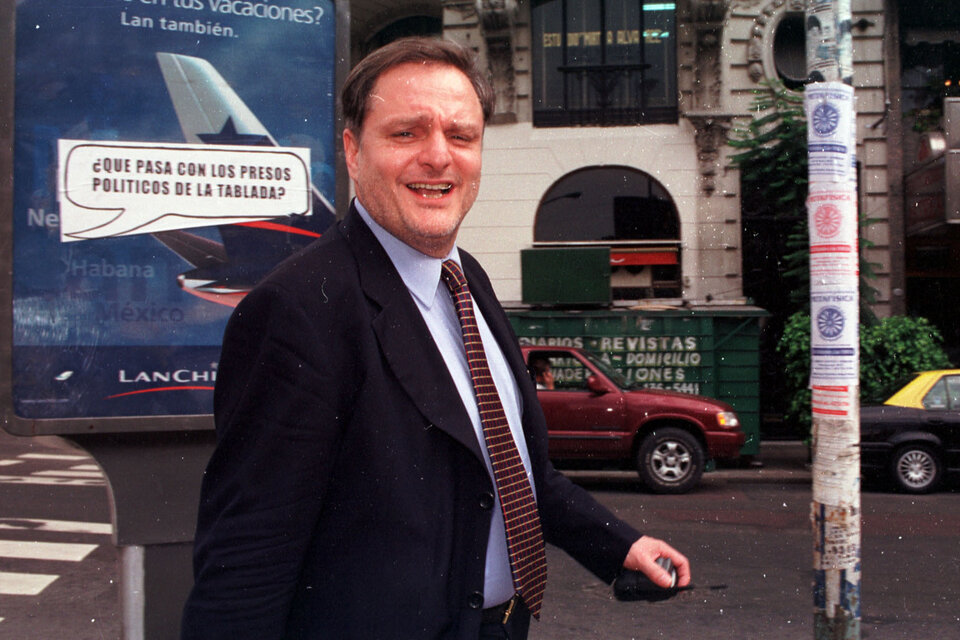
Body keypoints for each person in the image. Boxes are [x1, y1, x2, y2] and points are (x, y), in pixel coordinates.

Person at [180, 37, 690, 640]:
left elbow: (513, 473)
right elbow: (245, 563)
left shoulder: (467, 277)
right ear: (353, 150)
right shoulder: (297, 310)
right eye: (407, 133)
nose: (439, 157)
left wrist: (617, 545)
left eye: (462, 135)